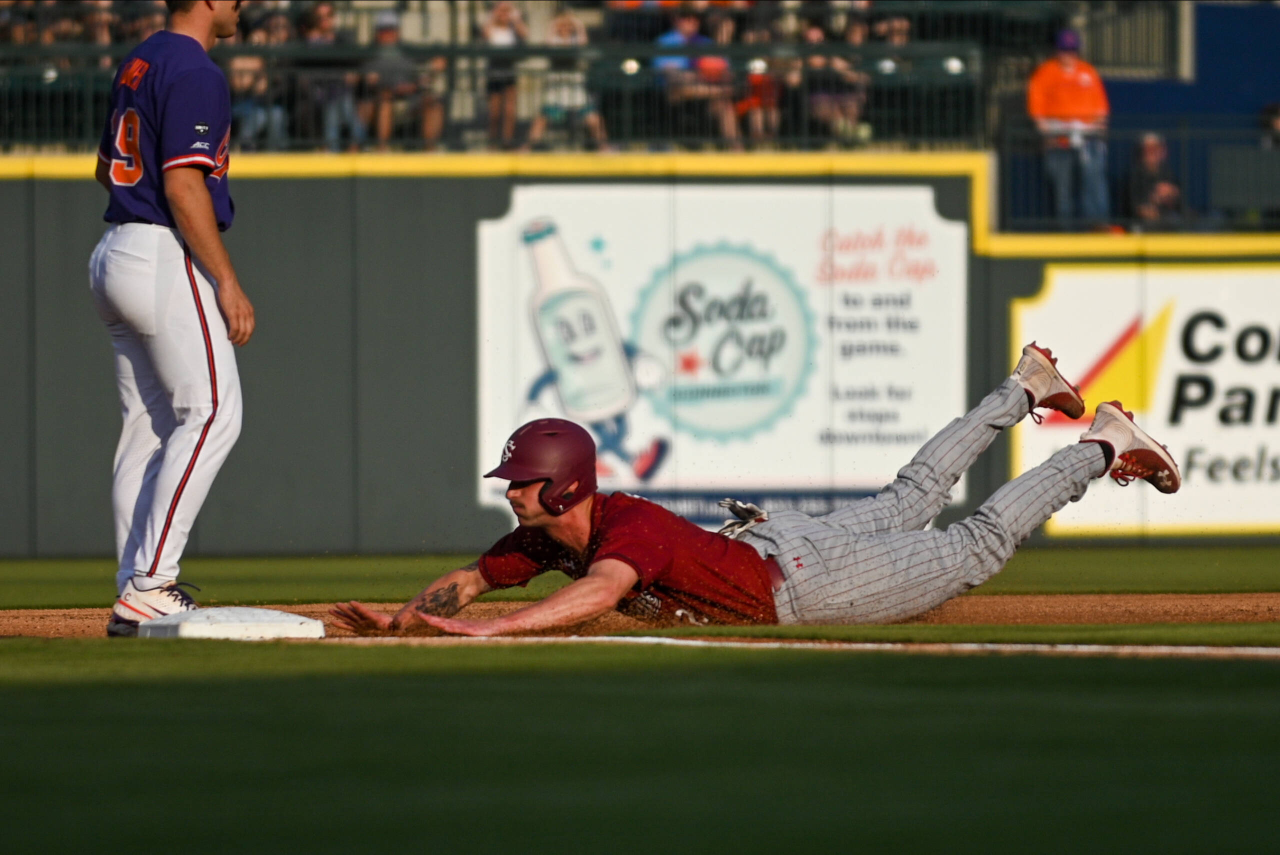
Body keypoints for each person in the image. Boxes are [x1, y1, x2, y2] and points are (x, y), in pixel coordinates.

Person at [332, 345, 1182, 636]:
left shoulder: (629, 528)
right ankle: (1026, 386)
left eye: (522, 484)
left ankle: (1100, 445)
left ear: (563, 487)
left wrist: (497, 633)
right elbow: (470, 582)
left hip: (802, 587)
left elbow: (601, 591)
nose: (510, 494)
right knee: (915, 490)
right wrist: (409, 618)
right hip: (775, 545)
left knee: (972, 545)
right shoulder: (544, 535)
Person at [90, 0, 255, 637]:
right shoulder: (194, 69)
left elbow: (104, 168)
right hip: (161, 248)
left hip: (115, 248)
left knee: (150, 426)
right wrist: (227, 279)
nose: (241, 5)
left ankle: (134, 582)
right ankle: (152, 584)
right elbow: (185, 186)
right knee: (212, 411)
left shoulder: (140, 59)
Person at [1027, 28, 1110, 228]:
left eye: (1072, 50)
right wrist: (1048, 133)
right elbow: (1037, 111)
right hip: (1059, 140)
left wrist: (1098, 129)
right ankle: (1067, 233)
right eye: (1065, 50)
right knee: (1062, 190)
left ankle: (1097, 228)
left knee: (1093, 182)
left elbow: (1101, 110)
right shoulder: (1045, 73)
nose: (1069, 54)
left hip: (1086, 137)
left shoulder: (1087, 72)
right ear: (1057, 50)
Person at [523, 8, 609, 152]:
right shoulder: (553, 39)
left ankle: (603, 146)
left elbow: (583, 42)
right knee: (542, 119)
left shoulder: (576, 40)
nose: (565, 27)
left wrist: (577, 24)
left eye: (568, 25)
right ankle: (527, 147)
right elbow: (550, 44)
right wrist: (554, 24)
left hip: (575, 88)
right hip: (557, 87)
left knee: (594, 119)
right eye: (562, 25)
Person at [360, 10, 445, 151]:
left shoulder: (407, 49)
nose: (388, 33)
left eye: (392, 29)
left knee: (433, 102)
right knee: (385, 98)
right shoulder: (369, 54)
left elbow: (438, 56)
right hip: (380, 101)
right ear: (377, 32)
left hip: (410, 100)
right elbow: (367, 80)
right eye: (384, 29)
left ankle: (430, 151)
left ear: (398, 31)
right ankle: (382, 149)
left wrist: (428, 76)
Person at [481, 0, 527, 150]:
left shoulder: (513, 29)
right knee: (494, 112)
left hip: (509, 71)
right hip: (494, 72)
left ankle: (508, 142)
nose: (504, 14)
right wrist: (494, 15)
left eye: (507, 11)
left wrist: (516, 18)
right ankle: (492, 142)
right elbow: (486, 35)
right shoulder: (492, 28)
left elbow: (525, 35)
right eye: (502, 11)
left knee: (509, 111)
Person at [1127, 132, 1181, 231]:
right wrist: (1154, 199)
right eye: (1148, 149)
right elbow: (1136, 207)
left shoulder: (1169, 175)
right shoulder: (1134, 177)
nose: (1152, 153)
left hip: (1168, 226)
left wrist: (1173, 193)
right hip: (1142, 227)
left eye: (1156, 149)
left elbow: (1179, 205)